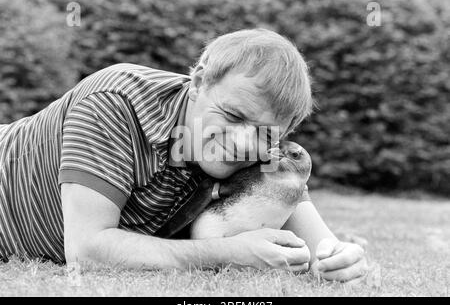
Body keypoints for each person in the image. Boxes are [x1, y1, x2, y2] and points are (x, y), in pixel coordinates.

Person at [0, 29, 367, 282]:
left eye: (265, 132)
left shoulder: (265, 149)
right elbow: (88, 251)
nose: (242, 143)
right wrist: (229, 252)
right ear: (198, 83)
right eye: (233, 116)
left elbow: (324, 249)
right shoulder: (115, 104)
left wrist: (341, 261)